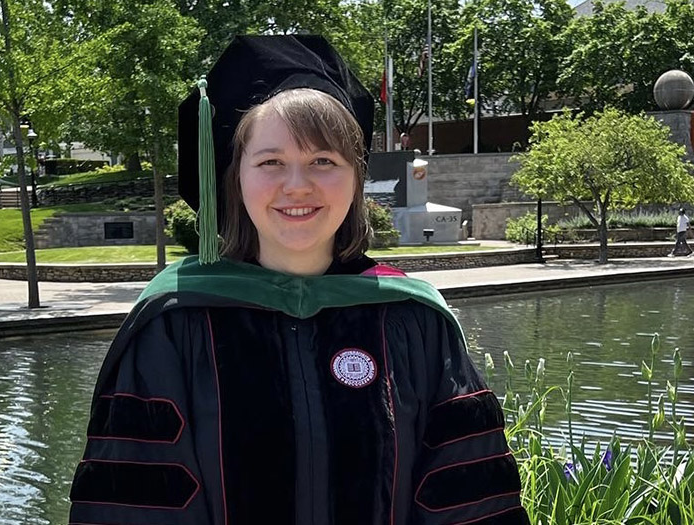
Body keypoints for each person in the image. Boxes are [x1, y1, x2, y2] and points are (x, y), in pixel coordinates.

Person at [69, 35, 527, 525]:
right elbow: (133, 504)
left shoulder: (414, 320)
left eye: (323, 161)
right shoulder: (175, 326)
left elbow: (470, 501)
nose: (297, 185)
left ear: (356, 177)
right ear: (235, 177)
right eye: (271, 162)